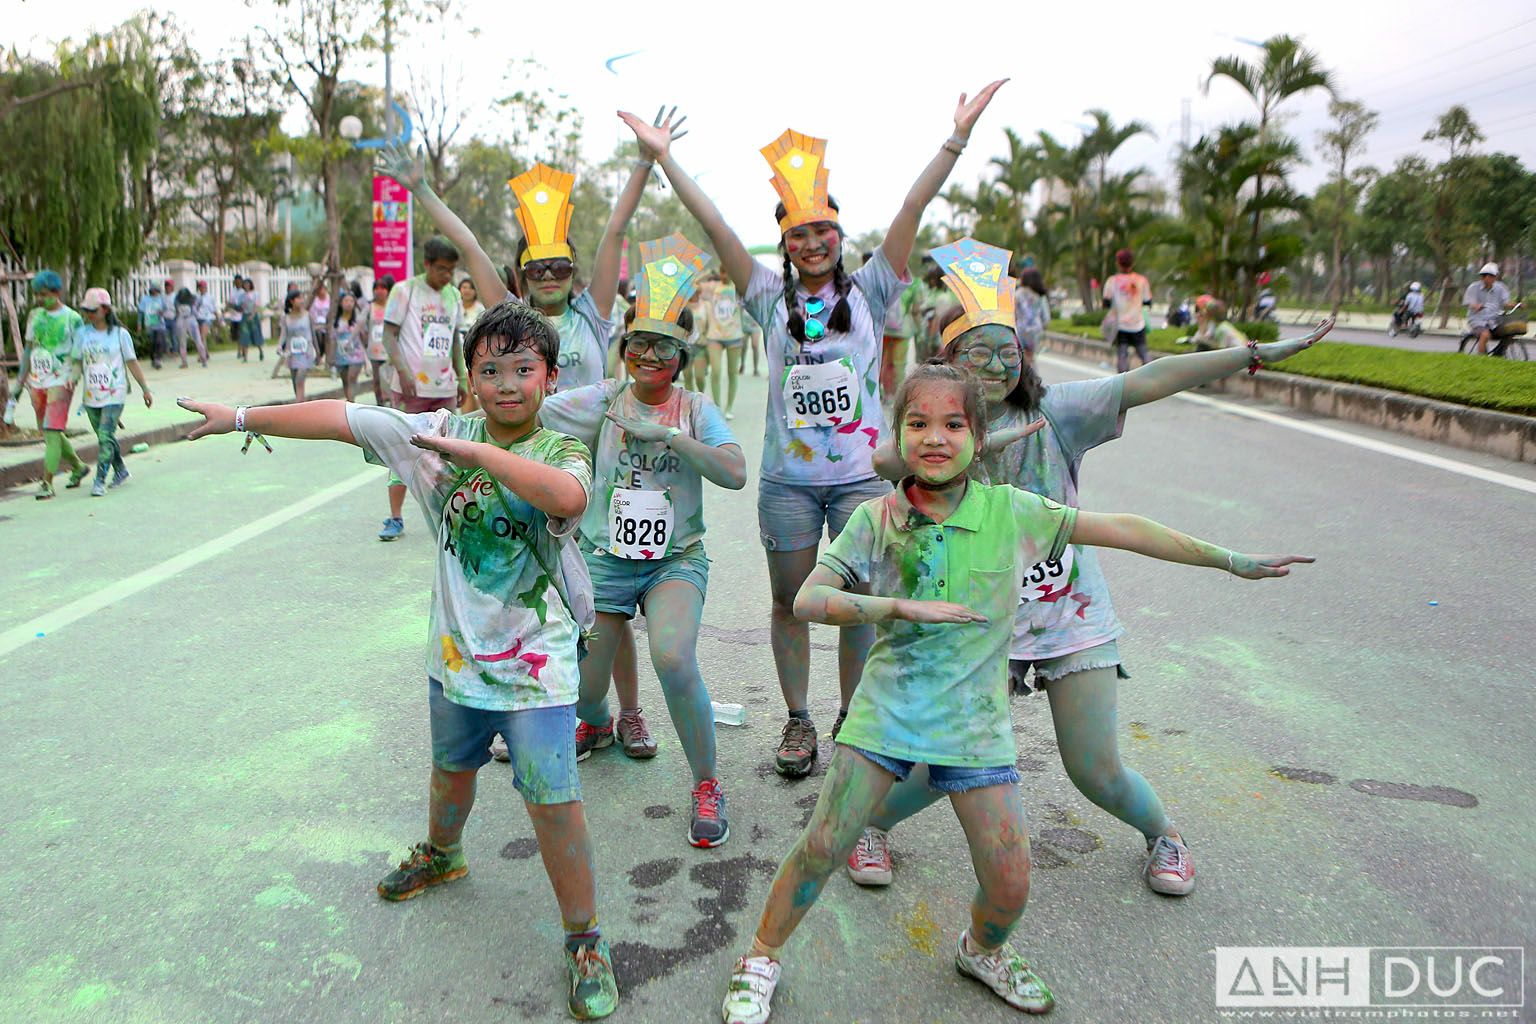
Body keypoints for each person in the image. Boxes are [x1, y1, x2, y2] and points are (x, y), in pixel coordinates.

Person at [720, 359, 1316, 1024]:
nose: (935, 437)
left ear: (978, 437)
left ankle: (982, 950)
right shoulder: (875, 519)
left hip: (976, 727)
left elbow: (1125, 528)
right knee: (824, 845)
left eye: (953, 423)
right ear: (898, 434)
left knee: (1010, 880)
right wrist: (899, 609)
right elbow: (806, 599)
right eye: (918, 423)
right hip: (887, 713)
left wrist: (1229, 561)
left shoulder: (1013, 511)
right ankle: (761, 956)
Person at [852, 239, 1335, 906]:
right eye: (977, 354)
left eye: (1007, 351)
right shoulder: (939, 430)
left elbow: (1151, 379)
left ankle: (1164, 834)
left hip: (1069, 615)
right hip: (976, 623)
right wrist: (969, 444)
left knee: (1096, 770)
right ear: (949, 364)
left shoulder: (1060, 411)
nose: (995, 365)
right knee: (943, 761)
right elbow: (883, 462)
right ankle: (871, 825)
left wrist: (1249, 354)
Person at [175, 301, 620, 1019]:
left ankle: (585, 938)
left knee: (553, 802)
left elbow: (565, 497)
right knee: (450, 774)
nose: (507, 384)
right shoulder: (429, 435)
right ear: (467, 377)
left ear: (550, 377)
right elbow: (346, 417)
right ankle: (444, 854)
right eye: (490, 370)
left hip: (538, 672)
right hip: (454, 663)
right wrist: (240, 417)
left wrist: (476, 455)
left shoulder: (559, 448)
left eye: (523, 370)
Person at [623, 81, 1009, 776]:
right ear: (784, 243)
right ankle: (799, 721)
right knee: (792, 604)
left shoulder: (873, 289)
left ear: (840, 235)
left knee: (857, 603)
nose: (811, 242)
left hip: (862, 479)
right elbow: (714, 228)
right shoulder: (767, 297)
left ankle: (852, 718)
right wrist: (666, 161)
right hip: (789, 486)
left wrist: (956, 138)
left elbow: (913, 205)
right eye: (797, 234)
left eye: (822, 231)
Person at [379, 124, 654, 758]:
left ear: (575, 270)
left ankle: (626, 712)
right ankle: (552, 709)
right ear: (523, 274)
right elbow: (471, 243)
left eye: (562, 266)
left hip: (583, 482)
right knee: (534, 599)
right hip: (516, 485)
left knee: (602, 606)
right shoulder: (512, 322)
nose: (552, 275)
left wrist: (643, 163)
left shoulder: (594, 315)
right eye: (539, 267)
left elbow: (614, 232)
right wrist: (421, 189)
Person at [541, 234, 747, 848]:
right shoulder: (605, 399)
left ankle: (707, 782)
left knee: (673, 657)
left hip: (675, 562)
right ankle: (601, 725)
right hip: (605, 559)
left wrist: (670, 438)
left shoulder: (695, 408)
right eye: (638, 343)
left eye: (663, 346)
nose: (649, 355)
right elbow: (541, 407)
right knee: (582, 689)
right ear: (624, 348)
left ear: (683, 353)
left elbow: (734, 471)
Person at [376, 237, 466, 542]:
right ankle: (395, 517)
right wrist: (403, 371)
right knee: (401, 448)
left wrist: (462, 377)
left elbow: (454, 339)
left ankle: (450, 515)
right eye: (441, 269)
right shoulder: (405, 291)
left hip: (445, 386)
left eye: (451, 271)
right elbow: (389, 336)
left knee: (448, 452)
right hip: (411, 388)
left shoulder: (454, 295)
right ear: (426, 264)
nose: (447, 276)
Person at [11, 270, 88, 498]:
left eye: (43, 294)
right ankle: (78, 466)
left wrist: (74, 375)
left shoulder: (73, 319)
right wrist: (19, 382)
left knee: (53, 430)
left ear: (57, 293)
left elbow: (79, 353)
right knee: (48, 431)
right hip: (38, 381)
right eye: (36, 295)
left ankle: (47, 483)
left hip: (62, 380)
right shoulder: (35, 316)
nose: (39, 299)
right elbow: (27, 351)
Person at [69, 287, 152, 496]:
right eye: (86, 310)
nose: (89, 314)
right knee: (105, 437)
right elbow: (77, 363)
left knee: (105, 436)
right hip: (91, 395)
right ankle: (121, 470)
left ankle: (99, 480)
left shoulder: (120, 335)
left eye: (93, 310)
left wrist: (145, 389)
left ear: (105, 310)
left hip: (115, 393)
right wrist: (71, 379)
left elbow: (132, 363)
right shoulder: (82, 334)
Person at [698, 274, 746, 418]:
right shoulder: (713, 287)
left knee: (733, 372)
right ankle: (717, 407)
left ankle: (729, 407)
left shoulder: (739, 287)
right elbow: (692, 284)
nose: (726, 275)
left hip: (734, 335)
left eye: (728, 272)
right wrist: (705, 273)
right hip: (715, 336)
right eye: (723, 272)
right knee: (716, 371)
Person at [1103, 247, 1151, 373]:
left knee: (1122, 354)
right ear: (1133, 262)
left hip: (1120, 325)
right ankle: (1154, 375)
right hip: (1138, 323)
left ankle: (1123, 383)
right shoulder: (1142, 280)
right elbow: (1147, 301)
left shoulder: (1112, 281)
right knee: (1143, 353)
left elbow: (1106, 303)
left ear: (1118, 263)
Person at [1464, 263, 1513, 355]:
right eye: (1484, 275)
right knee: (1485, 335)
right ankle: (1482, 358)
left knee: (1509, 333)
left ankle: (1499, 354)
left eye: (1491, 275)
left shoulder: (1501, 288)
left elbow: (1506, 302)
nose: (1487, 278)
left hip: (1495, 320)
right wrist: (1476, 306)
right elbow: (1469, 302)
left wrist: (1515, 305)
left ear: (1495, 277)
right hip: (1477, 320)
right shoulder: (1473, 287)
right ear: (1481, 277)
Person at [331, 289, 366, 402]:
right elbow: (332, 339)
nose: (349, 303)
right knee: (345, 380)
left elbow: (364, 338)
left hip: (356, 354)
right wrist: (330, 357)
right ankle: (349, 401)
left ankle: (351, 403)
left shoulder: (358, 319)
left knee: (352, 378)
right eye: (346, 300)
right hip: (341, 355)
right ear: (341, 303)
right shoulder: (336, 321)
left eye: (351, 301)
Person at [279, 292, 315, 402]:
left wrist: (317, 352)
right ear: (291, 301)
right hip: (292, 353)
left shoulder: (307, 315)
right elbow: (284, 334)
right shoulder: (286, 317)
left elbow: (313, 334)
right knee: (295, 381)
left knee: (300, 378)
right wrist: (279, 346)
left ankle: (299, 406)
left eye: (302, 298)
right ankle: (301, 403)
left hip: (306, 353)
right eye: (299, 298)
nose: (302, 300)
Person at [366, 274, 395, 405]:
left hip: (390, 350)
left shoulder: (393, 306)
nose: (379, 291)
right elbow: (361, 326)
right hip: (374, 350)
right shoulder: (369, 307)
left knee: (391, 381)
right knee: (377, 381)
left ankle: (393, 406)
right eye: (376, 288)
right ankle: (380, 406)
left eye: (383, 288)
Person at [1013, 267, 1050, 356]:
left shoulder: (1017, 294)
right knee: (1030, 358)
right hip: (1036, 332)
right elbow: (1046, 319)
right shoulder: (1040, 296)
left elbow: (1012, 314)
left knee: (1020, 358)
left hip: (1020, 331)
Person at [173, 286, 208, 368]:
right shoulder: (193, 299)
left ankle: (185, 362)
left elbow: (176, 311)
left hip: (183, 319)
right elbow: (198, 305)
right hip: (190, 319)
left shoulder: (178, 301)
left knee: (183, 342)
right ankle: (203, 360)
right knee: (196, 341)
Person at [137, 284, 168, 370]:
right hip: (150, 324)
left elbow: (165, 308)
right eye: (153, 290)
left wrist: (162, 312)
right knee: (152, 342)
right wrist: (139, 324)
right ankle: (153, 358)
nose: (155, 292)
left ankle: (158, 359)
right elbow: (140, 312)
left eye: (156, 290)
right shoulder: (145, 299)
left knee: (159, 341)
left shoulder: (161, 298)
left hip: (160, 324)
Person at [310, 280, 332, 368]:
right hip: (317, 323)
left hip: (327, 322)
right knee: (318, 336)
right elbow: (312, 312)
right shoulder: (315, 300)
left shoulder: (329, 299)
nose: (322, 292)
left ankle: (321, 356)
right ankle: (319, 355)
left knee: (325, 338)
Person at [194, 280, 219, 349]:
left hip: (207, 318)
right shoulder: (196, 297)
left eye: (204, 287)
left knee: (202, 336)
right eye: (201, 287)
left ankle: (203, 354)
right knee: (200, 337)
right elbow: (194, 308)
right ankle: (205, 353)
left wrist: (217, 318)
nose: (202, 289)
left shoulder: (210, 297)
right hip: (199, 318)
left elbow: (214, 309)